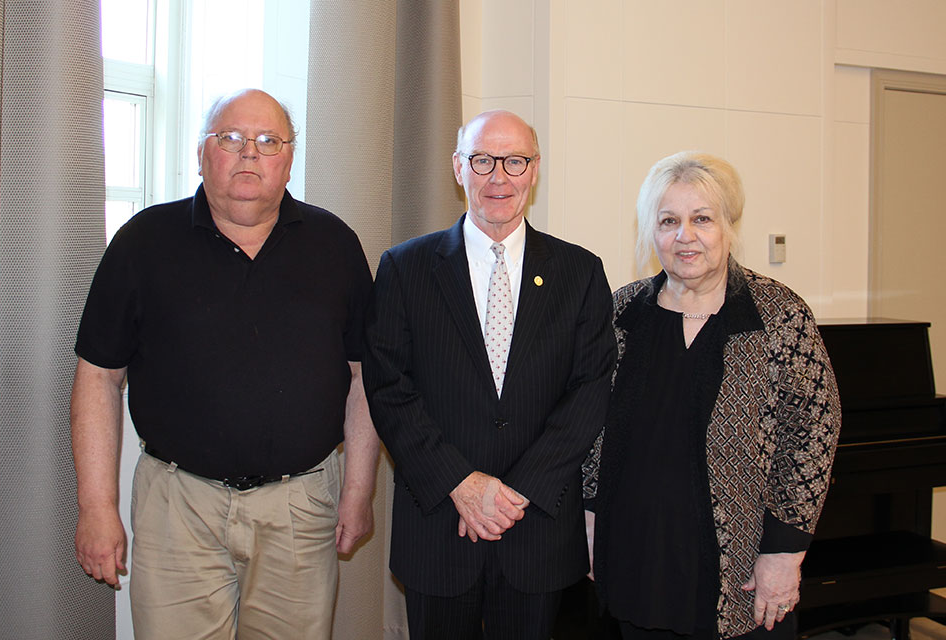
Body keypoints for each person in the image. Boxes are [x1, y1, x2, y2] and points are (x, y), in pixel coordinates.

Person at [70, 88, 379, 639]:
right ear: (201, 152)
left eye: (268, 141)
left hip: (301, 509)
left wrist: (358, 491)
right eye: (230, 138)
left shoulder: (335, 244)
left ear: (288, 158)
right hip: (176, 508)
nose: (249, 154)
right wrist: (97, 506)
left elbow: (365, 378)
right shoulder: (142, 243)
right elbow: (98, 376)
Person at [363, 110, 616, 640]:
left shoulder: (580, 272)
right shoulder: (405, 268)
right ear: (459, 168)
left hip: (537, 530)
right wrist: (461, 484)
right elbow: (389, 388)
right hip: (439, 526)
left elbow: (590, 388)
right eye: (483, 160)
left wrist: (515, 494)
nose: (499, 176)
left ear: (534, 170)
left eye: (515, 161)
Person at [583, 151, 841, 640]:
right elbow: (591, 426)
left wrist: (785, 553)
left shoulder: (777, 315)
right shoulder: (622, 313)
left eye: (702, 219)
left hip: (741, 566)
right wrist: (592, 521)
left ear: (727, 227)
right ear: (650, 231)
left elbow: (815, 432)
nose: (685, 236)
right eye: (669, 221)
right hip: (638, 554)